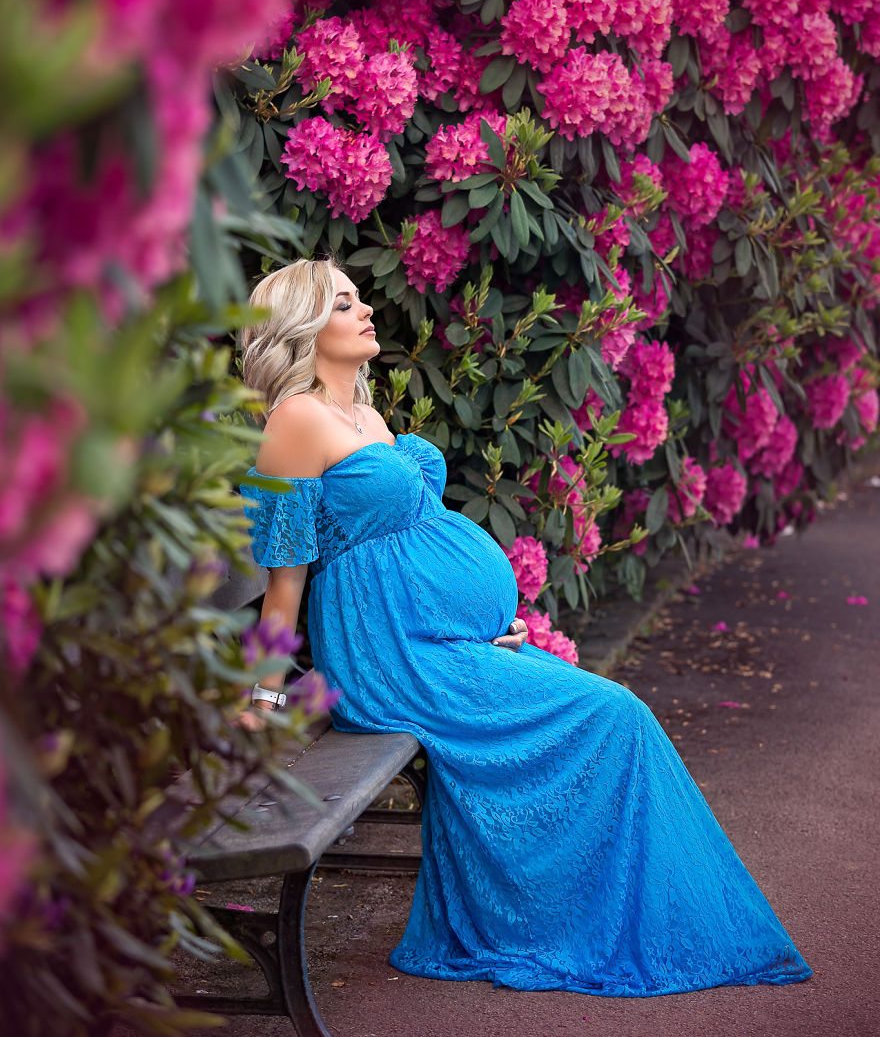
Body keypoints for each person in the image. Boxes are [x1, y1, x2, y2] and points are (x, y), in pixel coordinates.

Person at [238, 256, 813, 997]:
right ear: (307, 327)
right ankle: (579, 926)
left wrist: (475, 620)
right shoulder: (296, 418)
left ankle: (583, 916)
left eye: (359, 298)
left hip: (440, 643)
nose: (366, 310)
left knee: (613, 715)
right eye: (344, 304)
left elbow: (415, 538)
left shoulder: (366, 416)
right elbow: (285, 584)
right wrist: (263, 705)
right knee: (615, 715)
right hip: (389, 660)